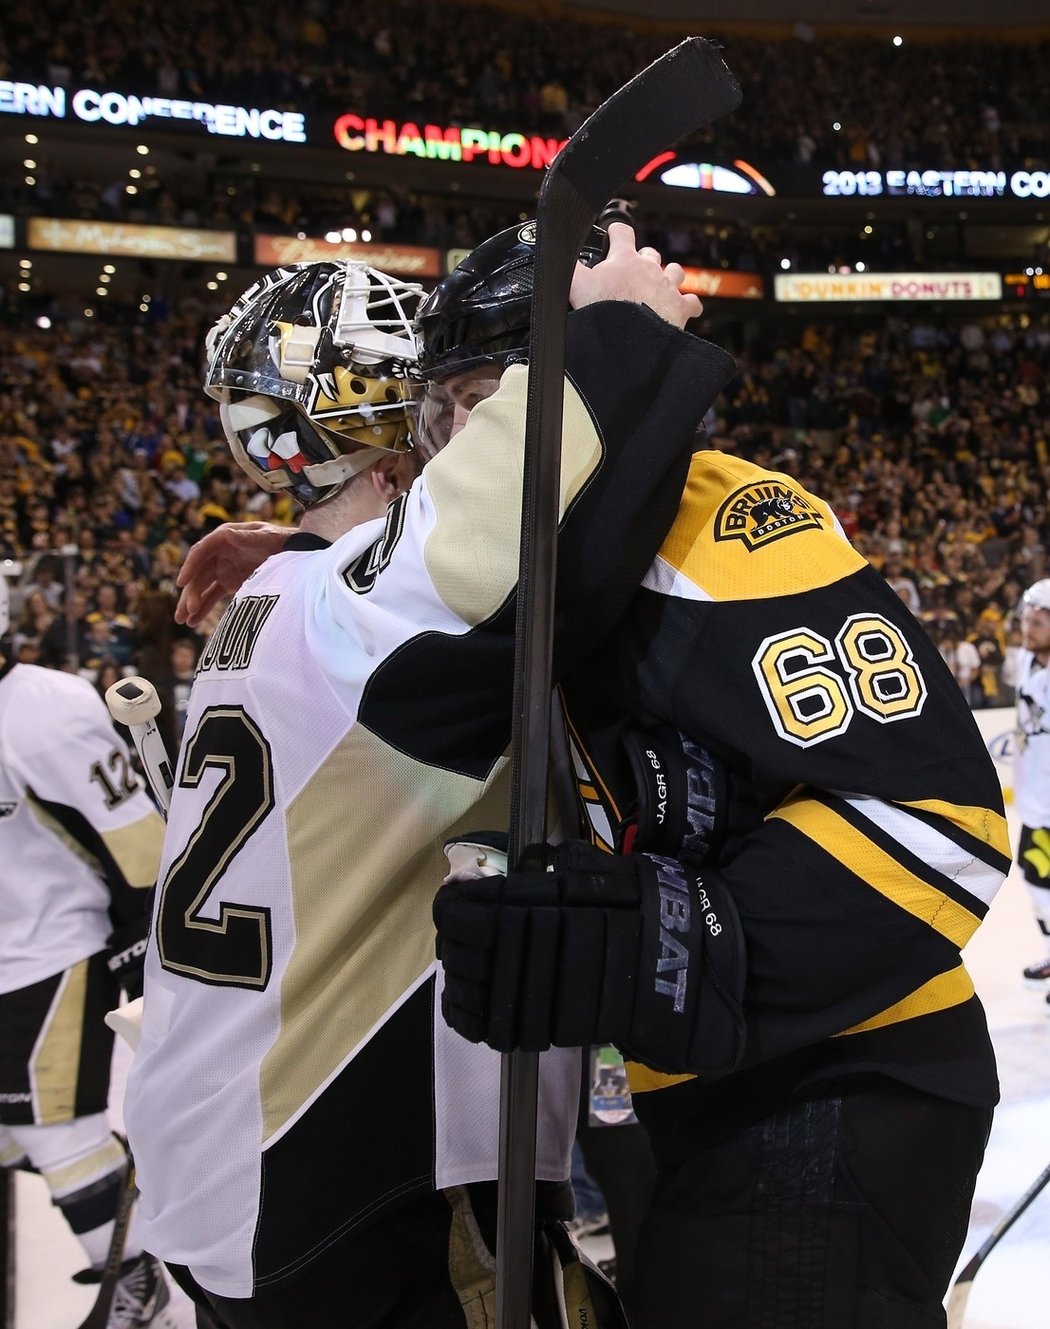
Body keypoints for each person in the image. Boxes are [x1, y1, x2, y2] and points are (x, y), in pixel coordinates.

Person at [123, 242, 736, 1329]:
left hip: (231, 1155)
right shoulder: (364, 608)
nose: (460, 432)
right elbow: (493, 550)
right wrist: (624, 334)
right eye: (448, 405)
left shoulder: (280, 596)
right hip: (332, 1167)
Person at [415, 224, 1009, 1327]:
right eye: (443, 407)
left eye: (484, 400)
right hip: (705, 1083)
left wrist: (664, 948)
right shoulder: (551, 558)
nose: (459, 439)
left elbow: (941, 821)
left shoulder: (713, 520)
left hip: (844, 1076)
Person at [0, 568, 170, 1327]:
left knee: (55, 1129)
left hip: (48, 950)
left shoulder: (41, 707)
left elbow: (136, 836)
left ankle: (140, 1283)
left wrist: (146, 942)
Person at [1013, 579, 1050, 994]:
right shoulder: (1026, 660)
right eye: (1029, 614)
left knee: (1043, 885)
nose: (1030, 622)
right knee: (1037, 883)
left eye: (1042, 618)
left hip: (1049, 808)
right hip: (1036, 803)